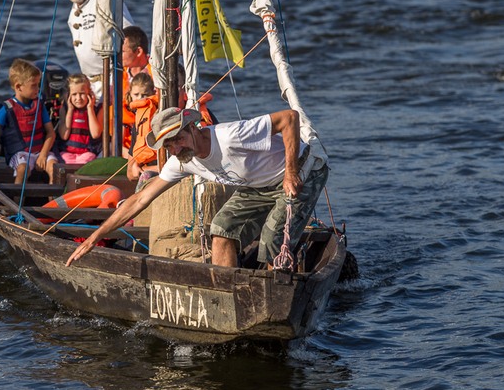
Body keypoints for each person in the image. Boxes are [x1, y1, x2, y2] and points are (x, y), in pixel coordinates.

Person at [66, 106, 329, 268]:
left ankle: (276, 296)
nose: (176, 148)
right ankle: (227, 296)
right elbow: (140, 200)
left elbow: (289, 118)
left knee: (272, 237)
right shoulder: (181, 161)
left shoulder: (228, 137)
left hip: (304, 169)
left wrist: (291, 172)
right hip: (258, 186)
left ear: (192, 128)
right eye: (169, 145)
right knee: (221, 229)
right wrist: (95, 236)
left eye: (179, 138)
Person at [61, 0, 134, 101]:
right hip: (91, 84)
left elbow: (129, 33)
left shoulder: (103, 1)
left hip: (112, 78)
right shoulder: (73, 12)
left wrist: (127, 73)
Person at [0, 58, 59, 184]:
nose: (38, 89)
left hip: (40, 152)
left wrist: (43, 154)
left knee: (54, 168)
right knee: (23, 169)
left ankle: (53, 201)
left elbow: (51, 133)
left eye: (38, 84)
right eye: (34, 85)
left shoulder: (39, 105)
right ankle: (17, 201)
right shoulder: (8, 108)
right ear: (18, 87)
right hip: (19, 154)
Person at [57, 74, 102, 165]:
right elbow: (64, 135)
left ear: (89, 93)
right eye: (74, 94)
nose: (78, 98)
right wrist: (70, 110)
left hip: (87, 152)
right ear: (68, 95)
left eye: (82, 94)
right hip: (67, 152)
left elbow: (95, 134)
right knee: (62, 161)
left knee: (85, 161)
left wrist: (90, 108)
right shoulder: (65, 109)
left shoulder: (95, 110)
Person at [125, 72, 160, 182]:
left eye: (145, 95)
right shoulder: (139, 121)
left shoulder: (158, 116)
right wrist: (137, 168)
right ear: (130, 94)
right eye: (136, 95)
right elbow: (130, 173)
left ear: (153, 93)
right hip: (143, 171)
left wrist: (145, 168)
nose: (140, 99)